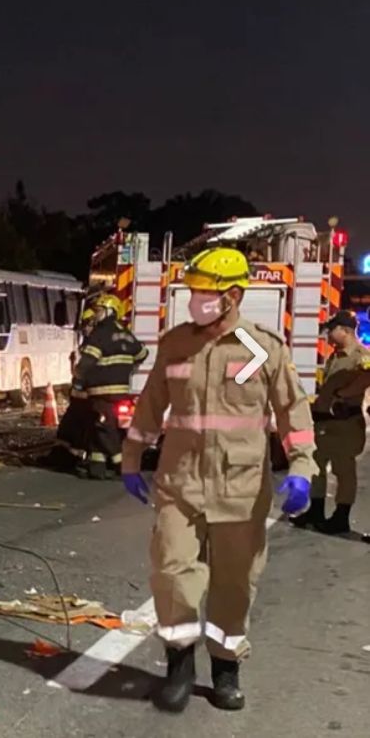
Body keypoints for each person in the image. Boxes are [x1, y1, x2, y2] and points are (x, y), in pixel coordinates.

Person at [121, 247, 316, 713]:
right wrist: (131, 459)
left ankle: (226, 667)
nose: (195, 300)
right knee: (172, 575)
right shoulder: (176, 344)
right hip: (179, 482)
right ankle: (179, 664)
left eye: (204, 293)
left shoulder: (260, 348)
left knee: (234, 583)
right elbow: (150, 405)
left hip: (240, 489)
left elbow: (292, 412)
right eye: (193, 291)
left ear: (231, 295)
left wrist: (302, 469)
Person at [291, 309, 370, 534]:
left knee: (343, 470)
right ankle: (315, 511)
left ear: (345, 330)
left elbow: (367, 375)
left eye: (332, 330)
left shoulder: (360, 355)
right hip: (325, 424)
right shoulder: (336, 355)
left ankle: (341, 517)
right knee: (316, 467)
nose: (328, 335)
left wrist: (343, 395)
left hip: (345, 424)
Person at [72, 295, 147, 479]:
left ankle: (121, 464)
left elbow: (87, 362)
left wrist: (78, 379)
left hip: (101, 390)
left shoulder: (100, 333)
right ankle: (96, 467)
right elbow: (142, 353)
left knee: (104, 427)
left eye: (99, 311)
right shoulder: (126, 333)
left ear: (110, 311)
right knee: (102, 426)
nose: (96, 315)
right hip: (121, 390)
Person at [55, 308, 98, 469]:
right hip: (79, 397)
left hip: (87, 397)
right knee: (70, 427)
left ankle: (77, 454)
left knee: (83, 427)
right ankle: (67, 454)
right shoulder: (85, 344)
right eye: (84, 324)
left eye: (88, 324)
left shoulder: (95, 344)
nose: (85, 328)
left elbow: (86, 371)